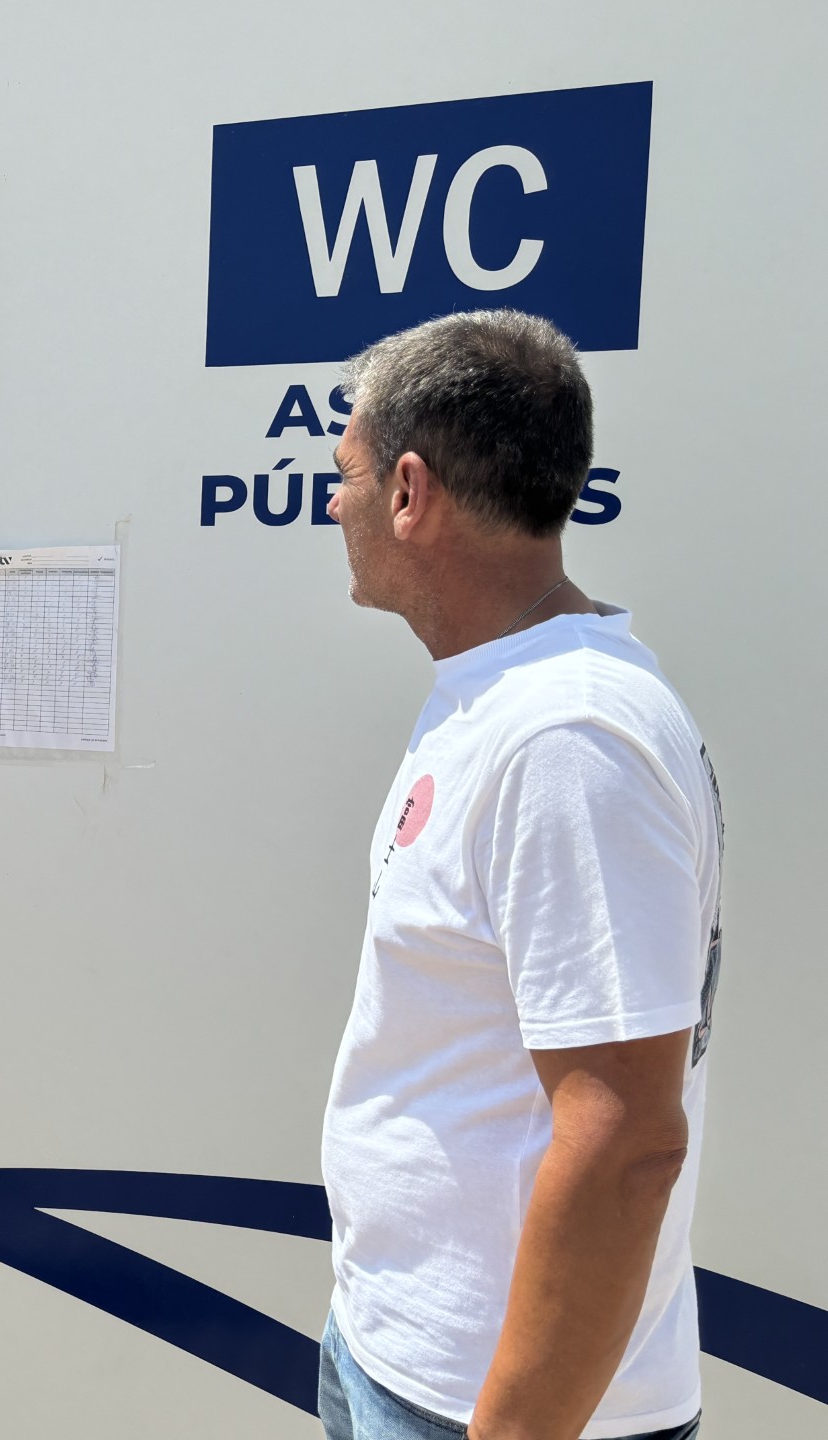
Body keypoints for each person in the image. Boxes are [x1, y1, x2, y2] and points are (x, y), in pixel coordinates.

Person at [318, 311, 720, 1440]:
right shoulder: (503, 697)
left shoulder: (567, 737)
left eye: (342, 474)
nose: (332, 507)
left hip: (490, 1408)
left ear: (409, 490)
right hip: (400, 1355)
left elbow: (627, 1145)